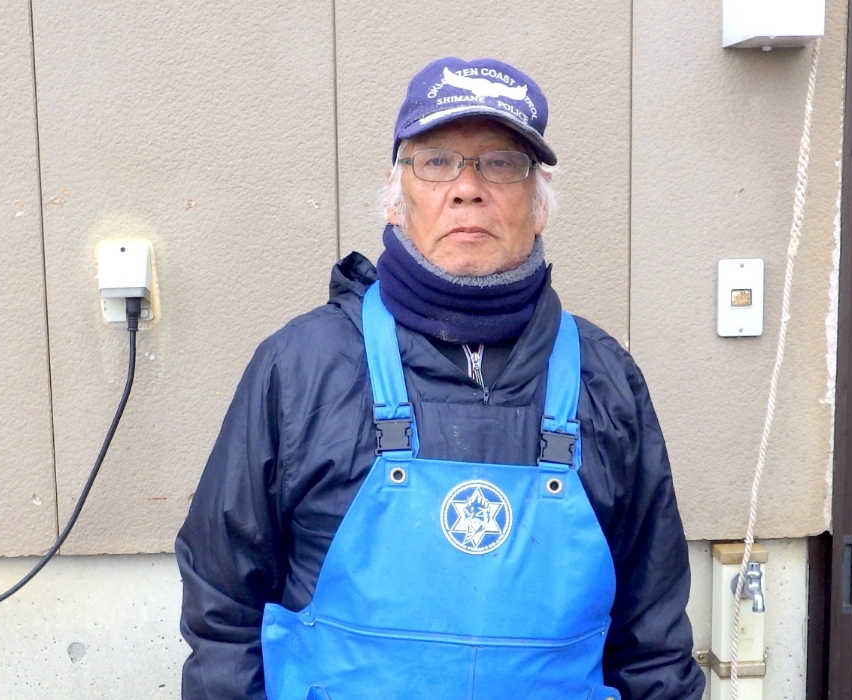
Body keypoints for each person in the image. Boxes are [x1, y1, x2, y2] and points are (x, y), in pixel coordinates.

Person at [176, 56, 705, 700]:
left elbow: (652, 642)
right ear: (396, 198)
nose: (467, 188)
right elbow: (224, 608)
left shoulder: (605, 378)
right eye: (436, 162)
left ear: (539, 204)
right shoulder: (301, 367)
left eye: (501, 163)